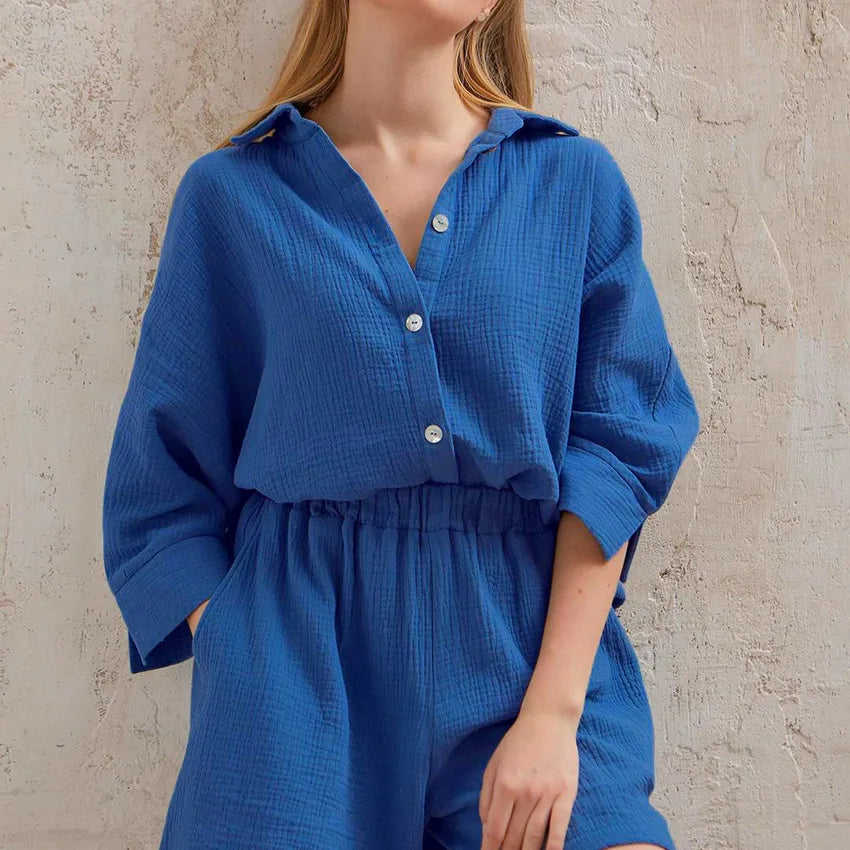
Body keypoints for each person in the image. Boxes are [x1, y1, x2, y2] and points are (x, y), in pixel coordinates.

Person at [101, 1, 700, 848]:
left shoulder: (572, 183)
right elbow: (160, 485)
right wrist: (242, 648)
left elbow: (620, 449)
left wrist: (554, 711)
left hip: (526, 654)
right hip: (295, 673)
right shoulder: (233, 195)